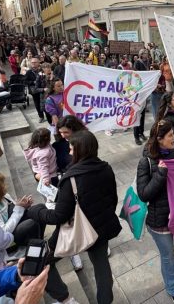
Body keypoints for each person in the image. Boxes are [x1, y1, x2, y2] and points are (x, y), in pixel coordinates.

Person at [27, 130, 121, 304]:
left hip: (76, 231)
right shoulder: (106, 168)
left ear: (80, 150)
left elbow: (58, 216)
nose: (69, 152)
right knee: (102, 270)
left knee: (42, 260)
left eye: (71, 149)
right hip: (101, 228)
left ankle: (64, 298)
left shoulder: (72, 179)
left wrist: (36, 211)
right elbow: (112, 199)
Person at [137, 120, 174, 304]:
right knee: (167, 256)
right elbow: (144, 194)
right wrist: (161, 173)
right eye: (170, 135)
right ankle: (173, 287)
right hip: (159, 220)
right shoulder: (146, 161)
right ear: (159, 139)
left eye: (173, 134)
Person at [0, 173, 44, 246]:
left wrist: (25, 206)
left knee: (40, 209)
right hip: (10, 236)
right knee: (30, 223)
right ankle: (35, 246)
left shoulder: (5, 197)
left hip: (17, 224)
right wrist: (19, 208)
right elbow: (4, 231)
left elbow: (17, 211)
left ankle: (40, 241)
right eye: (2, 185)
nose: (5, 186)